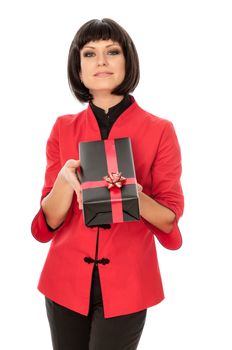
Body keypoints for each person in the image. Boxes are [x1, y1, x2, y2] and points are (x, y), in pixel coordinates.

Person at [31, 18, 184, 350]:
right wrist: (64, 181)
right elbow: (48, 223)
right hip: (65, 282)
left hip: (129, 283)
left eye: (112, 51)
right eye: (89, 54)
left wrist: (132, 192)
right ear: (78, 68)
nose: (101, 61)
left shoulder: (160, 130)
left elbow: (169, 219)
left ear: (127, 61)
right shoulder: (62, 128)